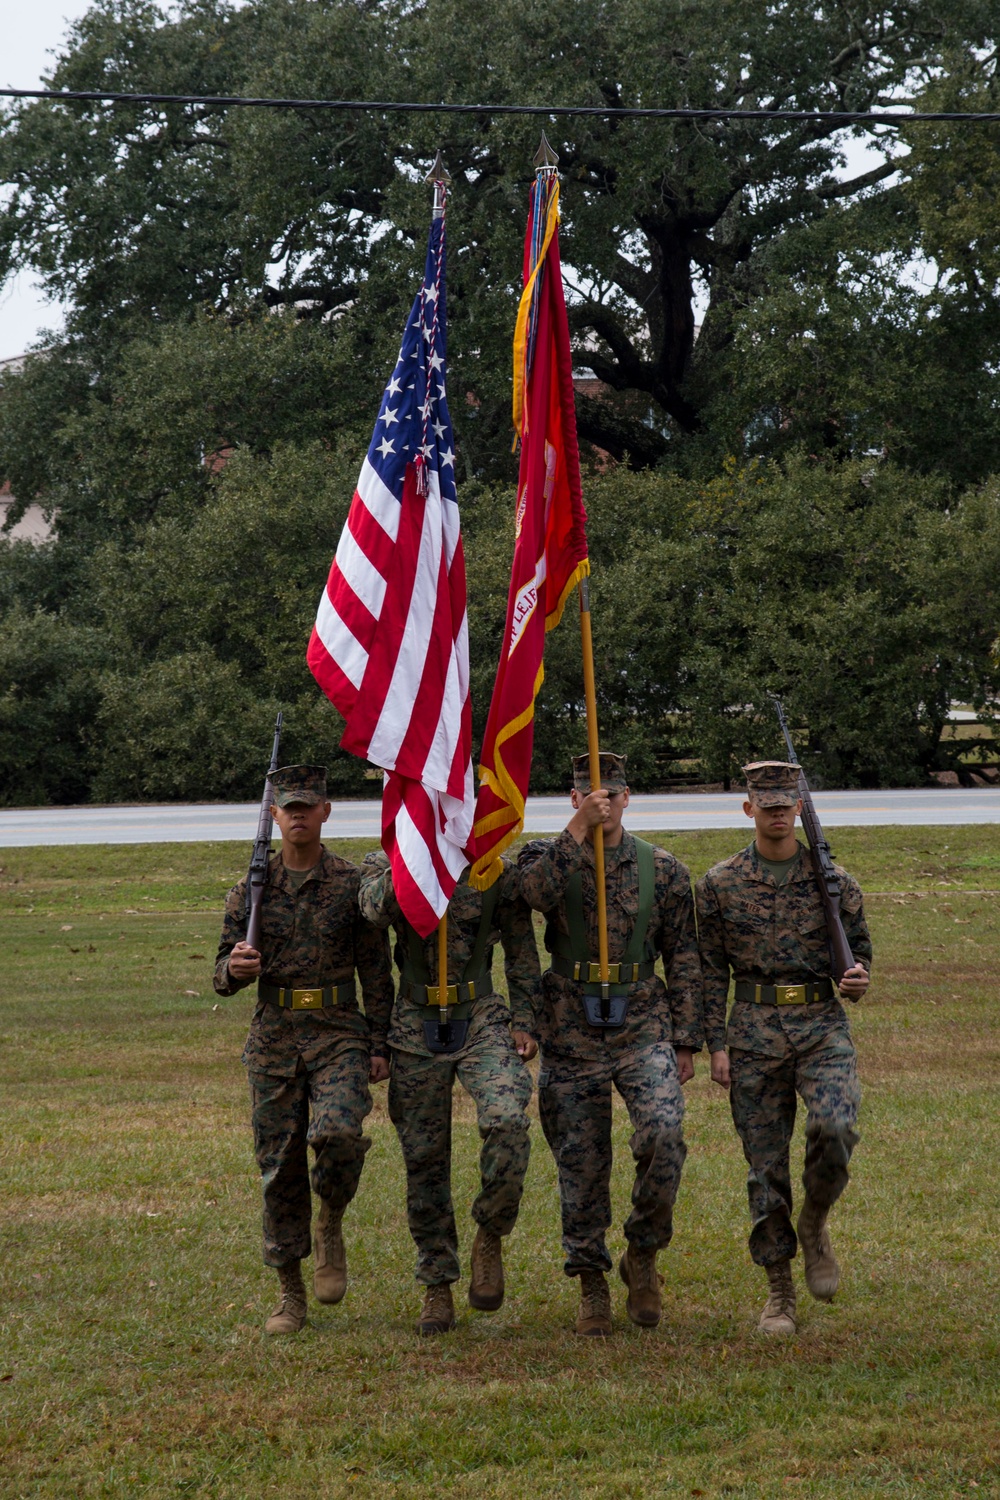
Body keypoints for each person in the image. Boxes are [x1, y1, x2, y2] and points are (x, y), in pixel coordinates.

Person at [518, 751, 708, 1337]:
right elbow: (531, 893)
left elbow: (684, 957)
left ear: (628, 798)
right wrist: (577, 833)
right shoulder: (546, 856)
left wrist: (687, 1039)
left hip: (643, 1024)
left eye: (614, 795)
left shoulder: (664, 869)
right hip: (571, 1028)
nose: (604, 803)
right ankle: (591, 1281)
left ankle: (643, 1253)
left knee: (664, 1133)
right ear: (574, 799)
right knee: (581, 1159)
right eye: (590, 796)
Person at [213, 765, 393, 1335]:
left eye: (306, 806)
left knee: (338, 1134)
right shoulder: (251, 887)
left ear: (325, 812)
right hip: (274, 1038)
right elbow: (221, 970)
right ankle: (291, 1294)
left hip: (339, 1031)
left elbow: (376, 969)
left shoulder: (349, 883)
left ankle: (330, 1221)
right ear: (274, 815)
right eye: (287, 807)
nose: (296, 815)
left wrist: (380, 1042)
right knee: (279, 1166)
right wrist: (234, 969)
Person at [695, 760, 872, 1336]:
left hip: (821, 1026)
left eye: (785, 803)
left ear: (800, 807)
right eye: (765, 804)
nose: (776, 813)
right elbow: (706, 971)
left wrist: (858, 978)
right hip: (752, 1031)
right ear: (748, 809)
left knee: (837, 1127)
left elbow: (859, 958)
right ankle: (779, 1292)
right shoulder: (719, 884)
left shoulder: (836, 883)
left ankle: (815, 1219)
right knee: (764, 1166)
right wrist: (714, 1044)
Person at [358, 851, 540, 1335]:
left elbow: (521, 952)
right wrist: (413, 857)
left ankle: (490, 1234)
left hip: (480, 1015)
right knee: (424, 1159)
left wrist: (524, 1020)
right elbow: (372, 910)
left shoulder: (492, 866)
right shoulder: (392, 855)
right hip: (413, 1019)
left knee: (507, 1120)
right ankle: (437, 1283)